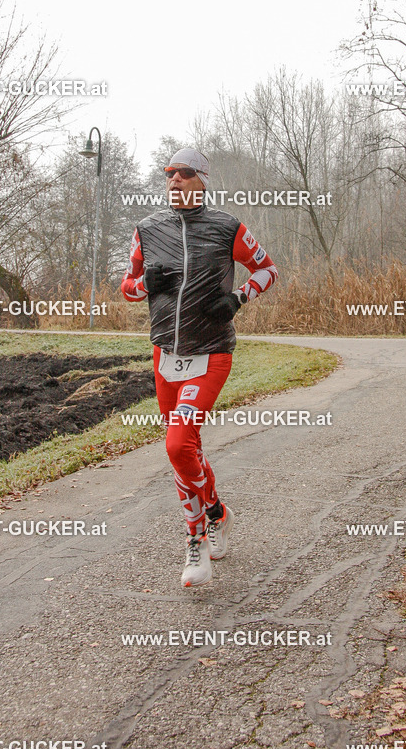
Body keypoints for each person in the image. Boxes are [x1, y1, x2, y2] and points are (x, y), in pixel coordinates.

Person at [121, 147, 278, 588]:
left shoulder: (227, 227)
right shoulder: (147, 230)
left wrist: (238, 298)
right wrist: (142, 284)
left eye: (185, 173)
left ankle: (195, 543)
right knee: (185, 446)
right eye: (169, 174)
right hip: (165, 354)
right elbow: (126, 288)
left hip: (210, 351)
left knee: (176, 445)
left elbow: (267, 270)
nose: (174, 180)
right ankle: (216, 514)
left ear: (203, 179)